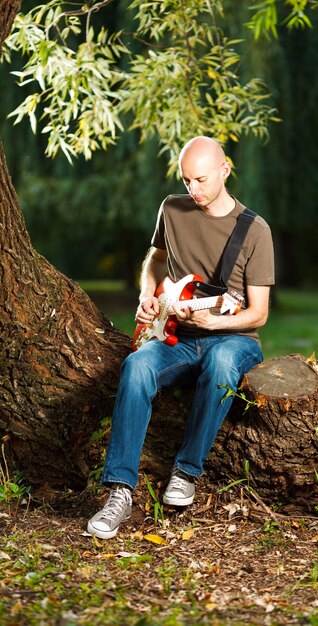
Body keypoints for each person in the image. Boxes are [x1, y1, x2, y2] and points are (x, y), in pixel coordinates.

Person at [87, 136, 275, 539]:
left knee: (222, 363)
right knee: (136, 366)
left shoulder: (255, 230)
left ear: (225, 171)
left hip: (233, 338)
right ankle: (119, 492)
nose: (194, 190)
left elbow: (258, 312)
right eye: (187, 180)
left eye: (202, 180)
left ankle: (187, 472)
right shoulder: (172, 208)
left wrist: (216, 325)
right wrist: (146, 295)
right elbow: (154, 260)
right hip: (177, 336)